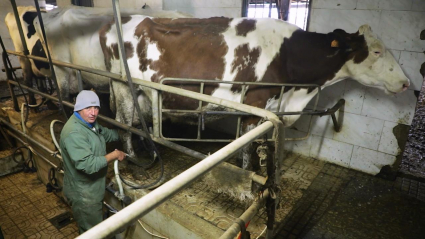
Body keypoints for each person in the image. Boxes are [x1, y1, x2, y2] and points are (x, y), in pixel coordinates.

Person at [60, 90, 126, 234]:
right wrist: (114, 154)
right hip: (84, 195)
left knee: (95, 228)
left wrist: (128, 133)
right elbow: (88, 165)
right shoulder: (74, 133)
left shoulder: (90, 123)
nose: (93, 112)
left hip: (93, 188)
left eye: (96, 108)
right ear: (78, 108)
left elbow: (107, 134)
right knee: (92, 232)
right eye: (88, 108)